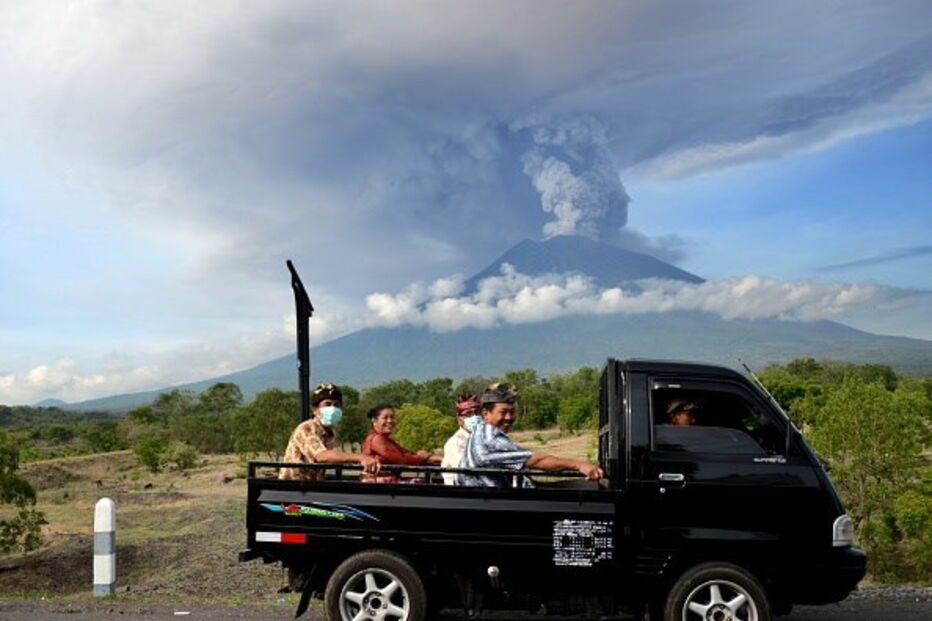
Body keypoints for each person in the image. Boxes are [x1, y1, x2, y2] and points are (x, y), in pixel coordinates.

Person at [458, 383, 604, 488]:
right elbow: (537, 461)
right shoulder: (490, 439)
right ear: (486, 414)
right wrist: (579, 465)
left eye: (512, 412)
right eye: (503, 412)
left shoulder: (480, 431)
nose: (509, 417)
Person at [279, 382, 380, 481]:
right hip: (293, 488)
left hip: (312, 487)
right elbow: (321, 456)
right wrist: (359, 457)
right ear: (315, 409)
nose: (332, 408)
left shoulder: (330, 433)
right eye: (327, 404)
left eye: (336, 405)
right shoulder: (307, 428)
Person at [362, 404, 441, 482]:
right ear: (374, 421)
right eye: (385, 418)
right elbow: (402, 460)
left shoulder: (388, 440)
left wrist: (437, 458)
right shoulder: (376, 439)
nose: (390, 421)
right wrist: (422, 457)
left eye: (392, 417)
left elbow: (408, 453)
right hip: (378, 486)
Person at [441, 394, 482, 486]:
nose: (474, 417)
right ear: (459, 418)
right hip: (462, 494)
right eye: (468, 414)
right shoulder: (454, 444)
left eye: (477, 413)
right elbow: (467, 470)